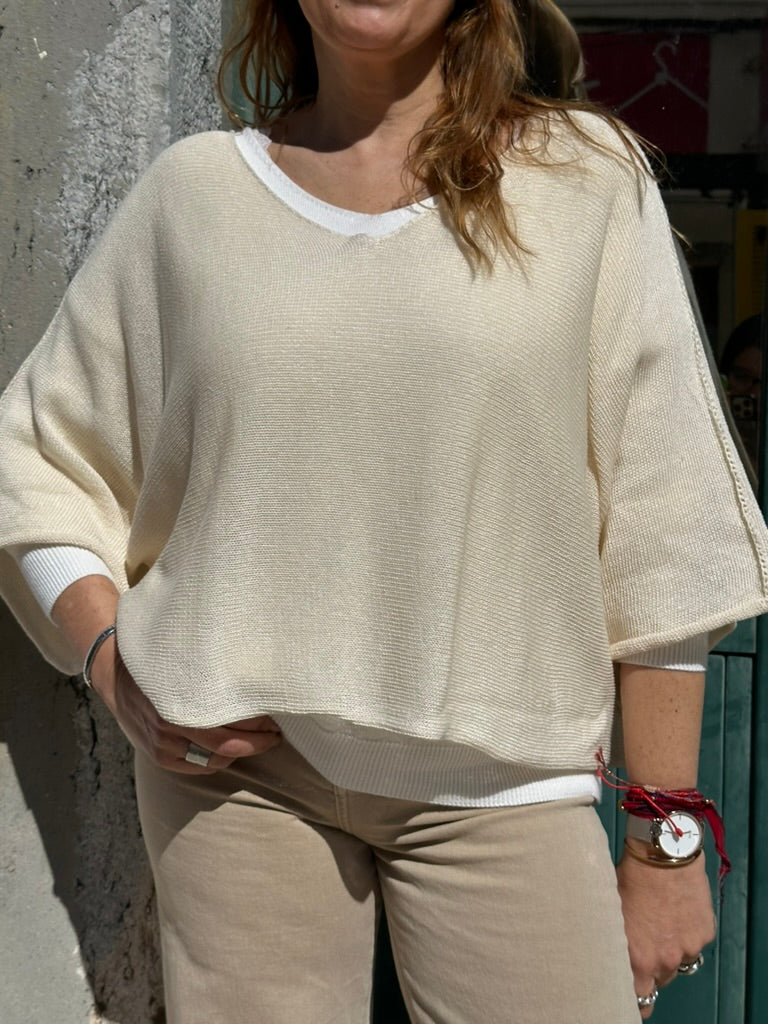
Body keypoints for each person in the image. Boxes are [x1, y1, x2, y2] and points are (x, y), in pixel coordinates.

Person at [1, 1, 767, 1021]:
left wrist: (665, 838)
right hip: (239, 782)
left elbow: (662, 518)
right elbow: (37, 457)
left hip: (505, 785)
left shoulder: (583, 181)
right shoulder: (196, 196)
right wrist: (108, 656)